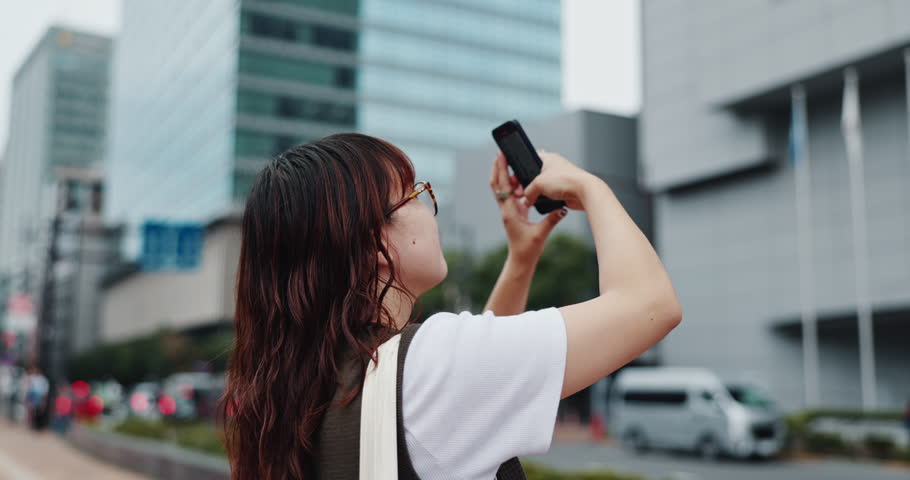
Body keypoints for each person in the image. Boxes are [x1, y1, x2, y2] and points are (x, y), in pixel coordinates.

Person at [220, 133, 681, 479]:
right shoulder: (422, 367)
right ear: (368, 242)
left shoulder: (300, 385)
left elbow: (464, 397)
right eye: (415, 193)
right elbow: (650, 304)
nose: (429, 205)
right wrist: (589, 187)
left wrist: (521, 261)